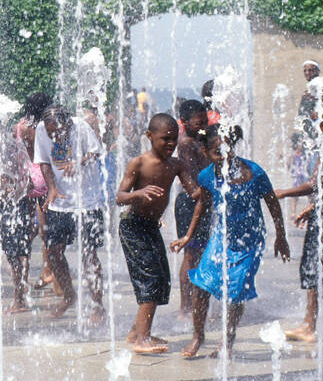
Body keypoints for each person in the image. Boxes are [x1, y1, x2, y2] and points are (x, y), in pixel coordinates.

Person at [172, 125, 290, 358]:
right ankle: (199, 336)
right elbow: (203, 204)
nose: (224, 156)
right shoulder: (206, 175)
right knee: (201, 284)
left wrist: (281, 236)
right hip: (221, 238)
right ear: (206, 153)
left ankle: (227, 340)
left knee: (235, 293)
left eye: (228, 150)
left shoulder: (253, 172)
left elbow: (272, 202)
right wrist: (188, 235)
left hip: (250, 242)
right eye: (217, 152)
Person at [116, 113, 199, 354]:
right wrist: (137, 194)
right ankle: (143, 338)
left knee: (161, 280)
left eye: (174, 139)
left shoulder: (176, 165)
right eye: (165, 139)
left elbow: (193, 192)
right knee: (149, 278)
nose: (171, 144)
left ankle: (136, 332)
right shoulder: (139, 163)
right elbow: (119, 197)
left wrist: (210, 192)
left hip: (151, 227)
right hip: (132, 226)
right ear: (150, 137)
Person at [279, 99, 323, 347]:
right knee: (316, 272)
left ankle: (310, 324)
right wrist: (313, 207)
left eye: (320, 118)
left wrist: (282, 192)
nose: (317, 122)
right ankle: (308, 324)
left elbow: (315, 184)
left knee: (322, 280)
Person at [34, 105, 106, 321]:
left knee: (88, 254)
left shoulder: (81, 127)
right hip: (61, 203)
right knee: (54, 251)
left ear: (68, 124)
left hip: (88, 202)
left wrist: (79, 161)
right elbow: (44, 162)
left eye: (59, 131)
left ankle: (97, 305)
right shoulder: (40, 129)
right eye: (50, 132)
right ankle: (69, 296)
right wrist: (52, 189)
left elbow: (96, 151)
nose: (54, 135)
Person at [173, 100, 211, 318]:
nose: (203, 125)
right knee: (191, 253)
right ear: (185, 122)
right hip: (191, 202)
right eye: (199, 122)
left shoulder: (198, 139)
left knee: (201, 252)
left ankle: (196, 303)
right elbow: (194, 173)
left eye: (205, 121)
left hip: (202, 200)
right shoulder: (187, 142)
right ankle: (185, 307)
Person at [14, 93, 54, 292]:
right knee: (45, 230)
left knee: (25, 229)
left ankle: (23, 276)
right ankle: (47, 271)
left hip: (27, 178)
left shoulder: (21, 127)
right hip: (45, 177)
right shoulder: (46, 127)